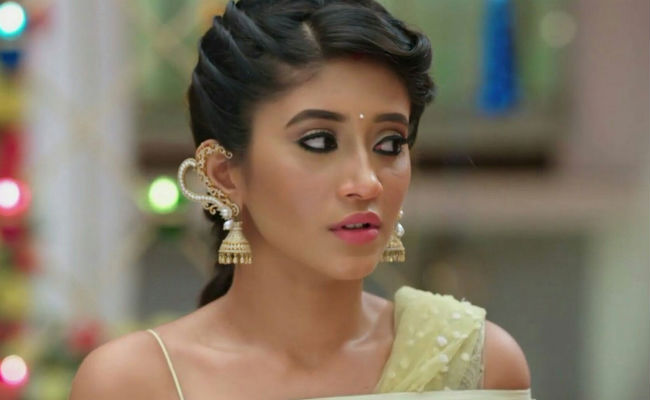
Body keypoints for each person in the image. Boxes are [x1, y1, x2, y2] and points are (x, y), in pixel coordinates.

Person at [70, 1, 533, 399]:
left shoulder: (473, 365)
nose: (366, 182)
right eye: (319, 142)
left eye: (390, 144)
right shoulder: (134, 383)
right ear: (224, 173)